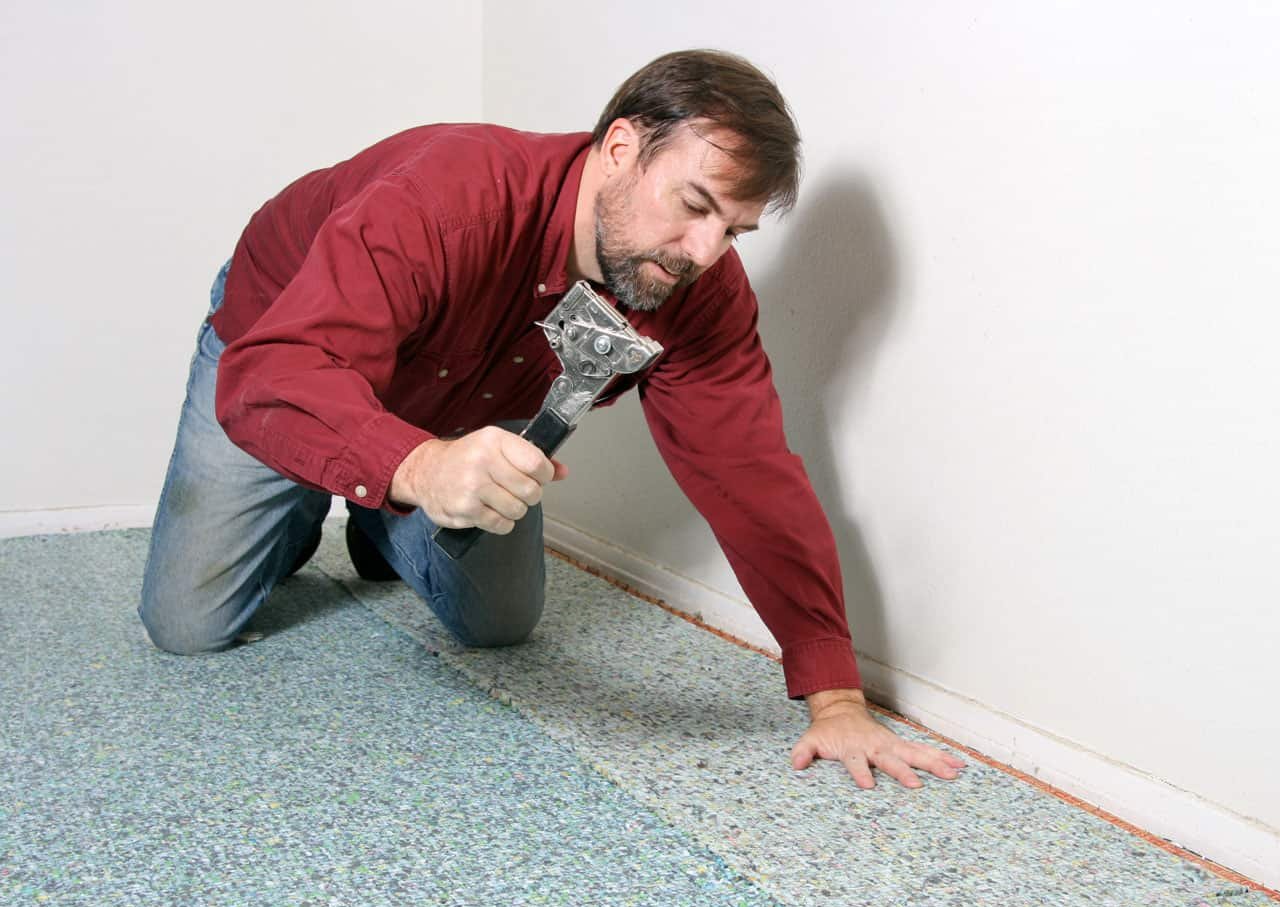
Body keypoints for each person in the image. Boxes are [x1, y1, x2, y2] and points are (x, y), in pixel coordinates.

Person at [139, 49, 966, 791]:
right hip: (284, 343)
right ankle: (318, 489)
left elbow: (750, 474)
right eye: (692, 204)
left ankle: (378, 515)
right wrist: (417, 469)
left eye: (734, 230)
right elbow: (272, 374)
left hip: (457, 417)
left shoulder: (694, 286)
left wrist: (836, 695)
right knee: (189, 626)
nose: (704, 251)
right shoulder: (449, 196)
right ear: (618, 148)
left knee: (500, 625)